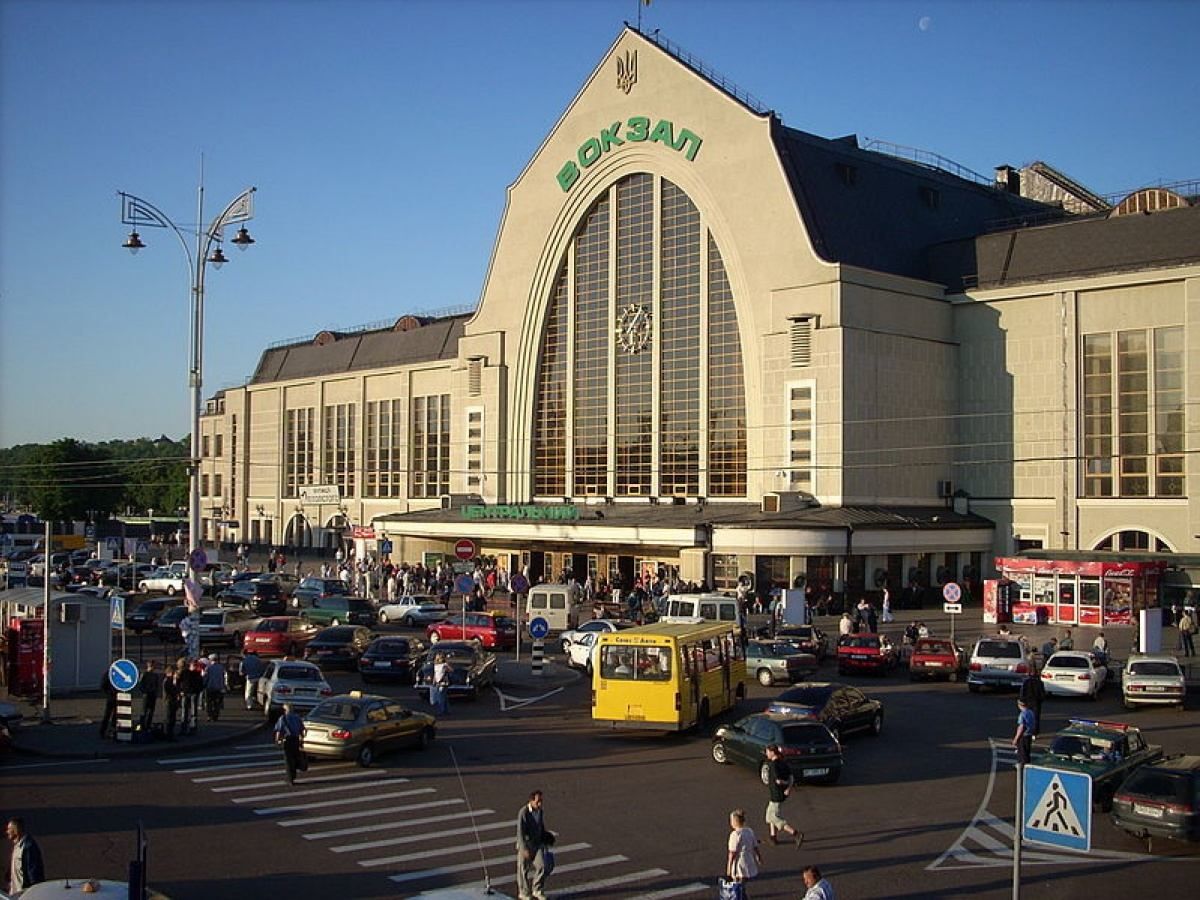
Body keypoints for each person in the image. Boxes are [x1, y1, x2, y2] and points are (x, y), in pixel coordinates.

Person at [763, 744, 804, 847]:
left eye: (767, 751)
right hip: (779, 794)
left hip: (776, 795)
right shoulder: (783, 762)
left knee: (774, 817)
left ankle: (795, 833)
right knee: (769, 815)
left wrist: (784, 784)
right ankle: (773, 837)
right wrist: (789, 788)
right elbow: (791, 777)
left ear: (772, 752)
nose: (766, 753)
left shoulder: (773, 765)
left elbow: (778, 781)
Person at [516, 790, 551, 900]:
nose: (540, 804)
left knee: (542, 866)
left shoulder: (540, 811)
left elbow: (541, 826)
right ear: (531, 801)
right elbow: (520, 832)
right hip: (526, 845)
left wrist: (545, 839)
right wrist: (523, 848)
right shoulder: (524, 812)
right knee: (523, 869)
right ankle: (524, 892)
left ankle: (537, 889)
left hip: (537, 844)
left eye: (541, 801)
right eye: (537, 801)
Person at [725, 808, 761, 894]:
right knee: (743, 881)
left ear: (734, 822)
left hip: (739, 862)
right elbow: (755, 845)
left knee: (737, 882)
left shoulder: (735, 834)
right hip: (748, 859)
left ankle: (740, 895)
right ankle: (743, 894)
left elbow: (732, 853)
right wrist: (758, 856)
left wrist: (729, 869)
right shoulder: (749, 831)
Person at [6, 817, 44, 895]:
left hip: (24, 894)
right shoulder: (17, 845)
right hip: (15, 893)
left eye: (9, 829)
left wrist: (35, 894)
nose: (7, 831)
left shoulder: (28, 847)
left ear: (16, 830)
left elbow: (34, 874)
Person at [274, 702, 307, 785]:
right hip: (296, 740)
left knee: (288, 760)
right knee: (295, 757)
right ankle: (294, 775)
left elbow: (279, 730)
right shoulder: (297, 717)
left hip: (288, 740)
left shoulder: (283, 718)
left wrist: (277, 740)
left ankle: (290, 779)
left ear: (285, 710)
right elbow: (302, 729)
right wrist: (302, 739)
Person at [1018, 662, 1046, 737]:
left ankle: (1026, 731)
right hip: (1036, 703)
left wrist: (1021, 700)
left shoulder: (1026, 682)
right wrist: (1040, 700)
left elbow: (1022, 692)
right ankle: (1034, 733)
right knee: (1036, 718)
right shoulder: (1040, 683)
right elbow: (1042, 694)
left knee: (1025, 717)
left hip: (1027, 702)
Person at [180, 659, 204, 735]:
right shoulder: (185, 672)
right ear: (190, 665)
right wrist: (181, 691)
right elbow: (179, 681)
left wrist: (197, 691)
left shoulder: (197, 674)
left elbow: (201, 684)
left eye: (195, 665)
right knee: (184, 712)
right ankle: (184, 729)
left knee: (193, 713)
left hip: (193, 693)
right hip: (186, 693)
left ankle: (192, 729)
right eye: (194, 665)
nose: (195, 667)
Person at [138, 660, 161, 732]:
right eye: (153, 666)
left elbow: (157, 685)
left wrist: (155, 692)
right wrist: (144, 691)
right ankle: (142, 725)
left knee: (151, 711)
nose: (154, 668)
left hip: (152, 695)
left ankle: (148, 725)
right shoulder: (144, 674)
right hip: (146, 695)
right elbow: (140, 684)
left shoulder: (155, 675)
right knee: (144, 711)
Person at [1012, 698, 1036, 766]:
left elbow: (1021, 727)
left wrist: (1016, 739)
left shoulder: (1022, 714)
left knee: (1022, 754)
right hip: (1029, 736)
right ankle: (1026, 766)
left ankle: (1021, 768)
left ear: (1020, 705)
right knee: (1027, 753)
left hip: (1023, 736)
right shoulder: (1031, 712)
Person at [203, 654, 227, 721]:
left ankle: (209, 715)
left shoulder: (208, 668)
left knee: (209, 702)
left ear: (210, 660)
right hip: (219, 687)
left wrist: (203, 684)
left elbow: (205, 678)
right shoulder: (221, 667)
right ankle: (215, 715)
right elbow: (224, 677)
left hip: (210, 687)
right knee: (217, 702)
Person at [163, 664, 182, 740]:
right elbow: (169, 691)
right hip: (169, 701)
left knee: (172, 718)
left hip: (171, 701)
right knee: (169, 719)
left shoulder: (171, 680)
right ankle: (168, 734)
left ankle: (170, 734)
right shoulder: (167, 681)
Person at [98, 668, 117, 739]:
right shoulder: (109, 674)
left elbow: (103, 685)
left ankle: (112, 731)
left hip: (115, 696)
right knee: (108, 715)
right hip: (111, 697)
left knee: (114, 715)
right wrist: (109, 693)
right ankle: (103, 731)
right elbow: (103, 685)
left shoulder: (109, 673)